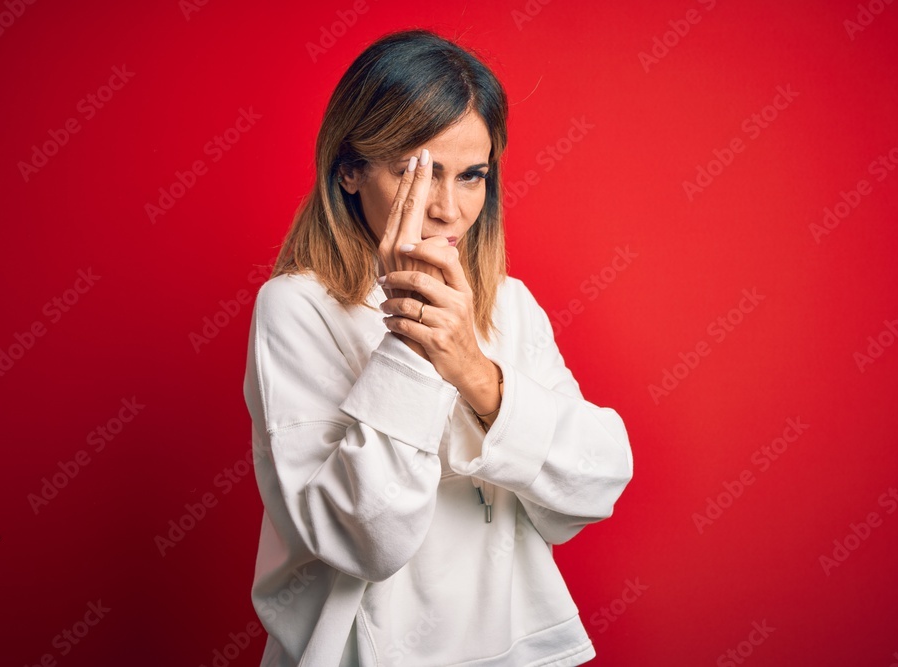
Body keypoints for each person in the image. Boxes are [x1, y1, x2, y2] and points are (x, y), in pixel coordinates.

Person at [242, 28, 633, 666]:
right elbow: (363, 539)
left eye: (472, 176)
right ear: (349, 170)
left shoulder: (507, 302)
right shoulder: (296, 307)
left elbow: (597, 484)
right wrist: (414, 345)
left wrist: (478, 375)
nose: (448, 209)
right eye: (417, 174)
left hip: (521, 649)